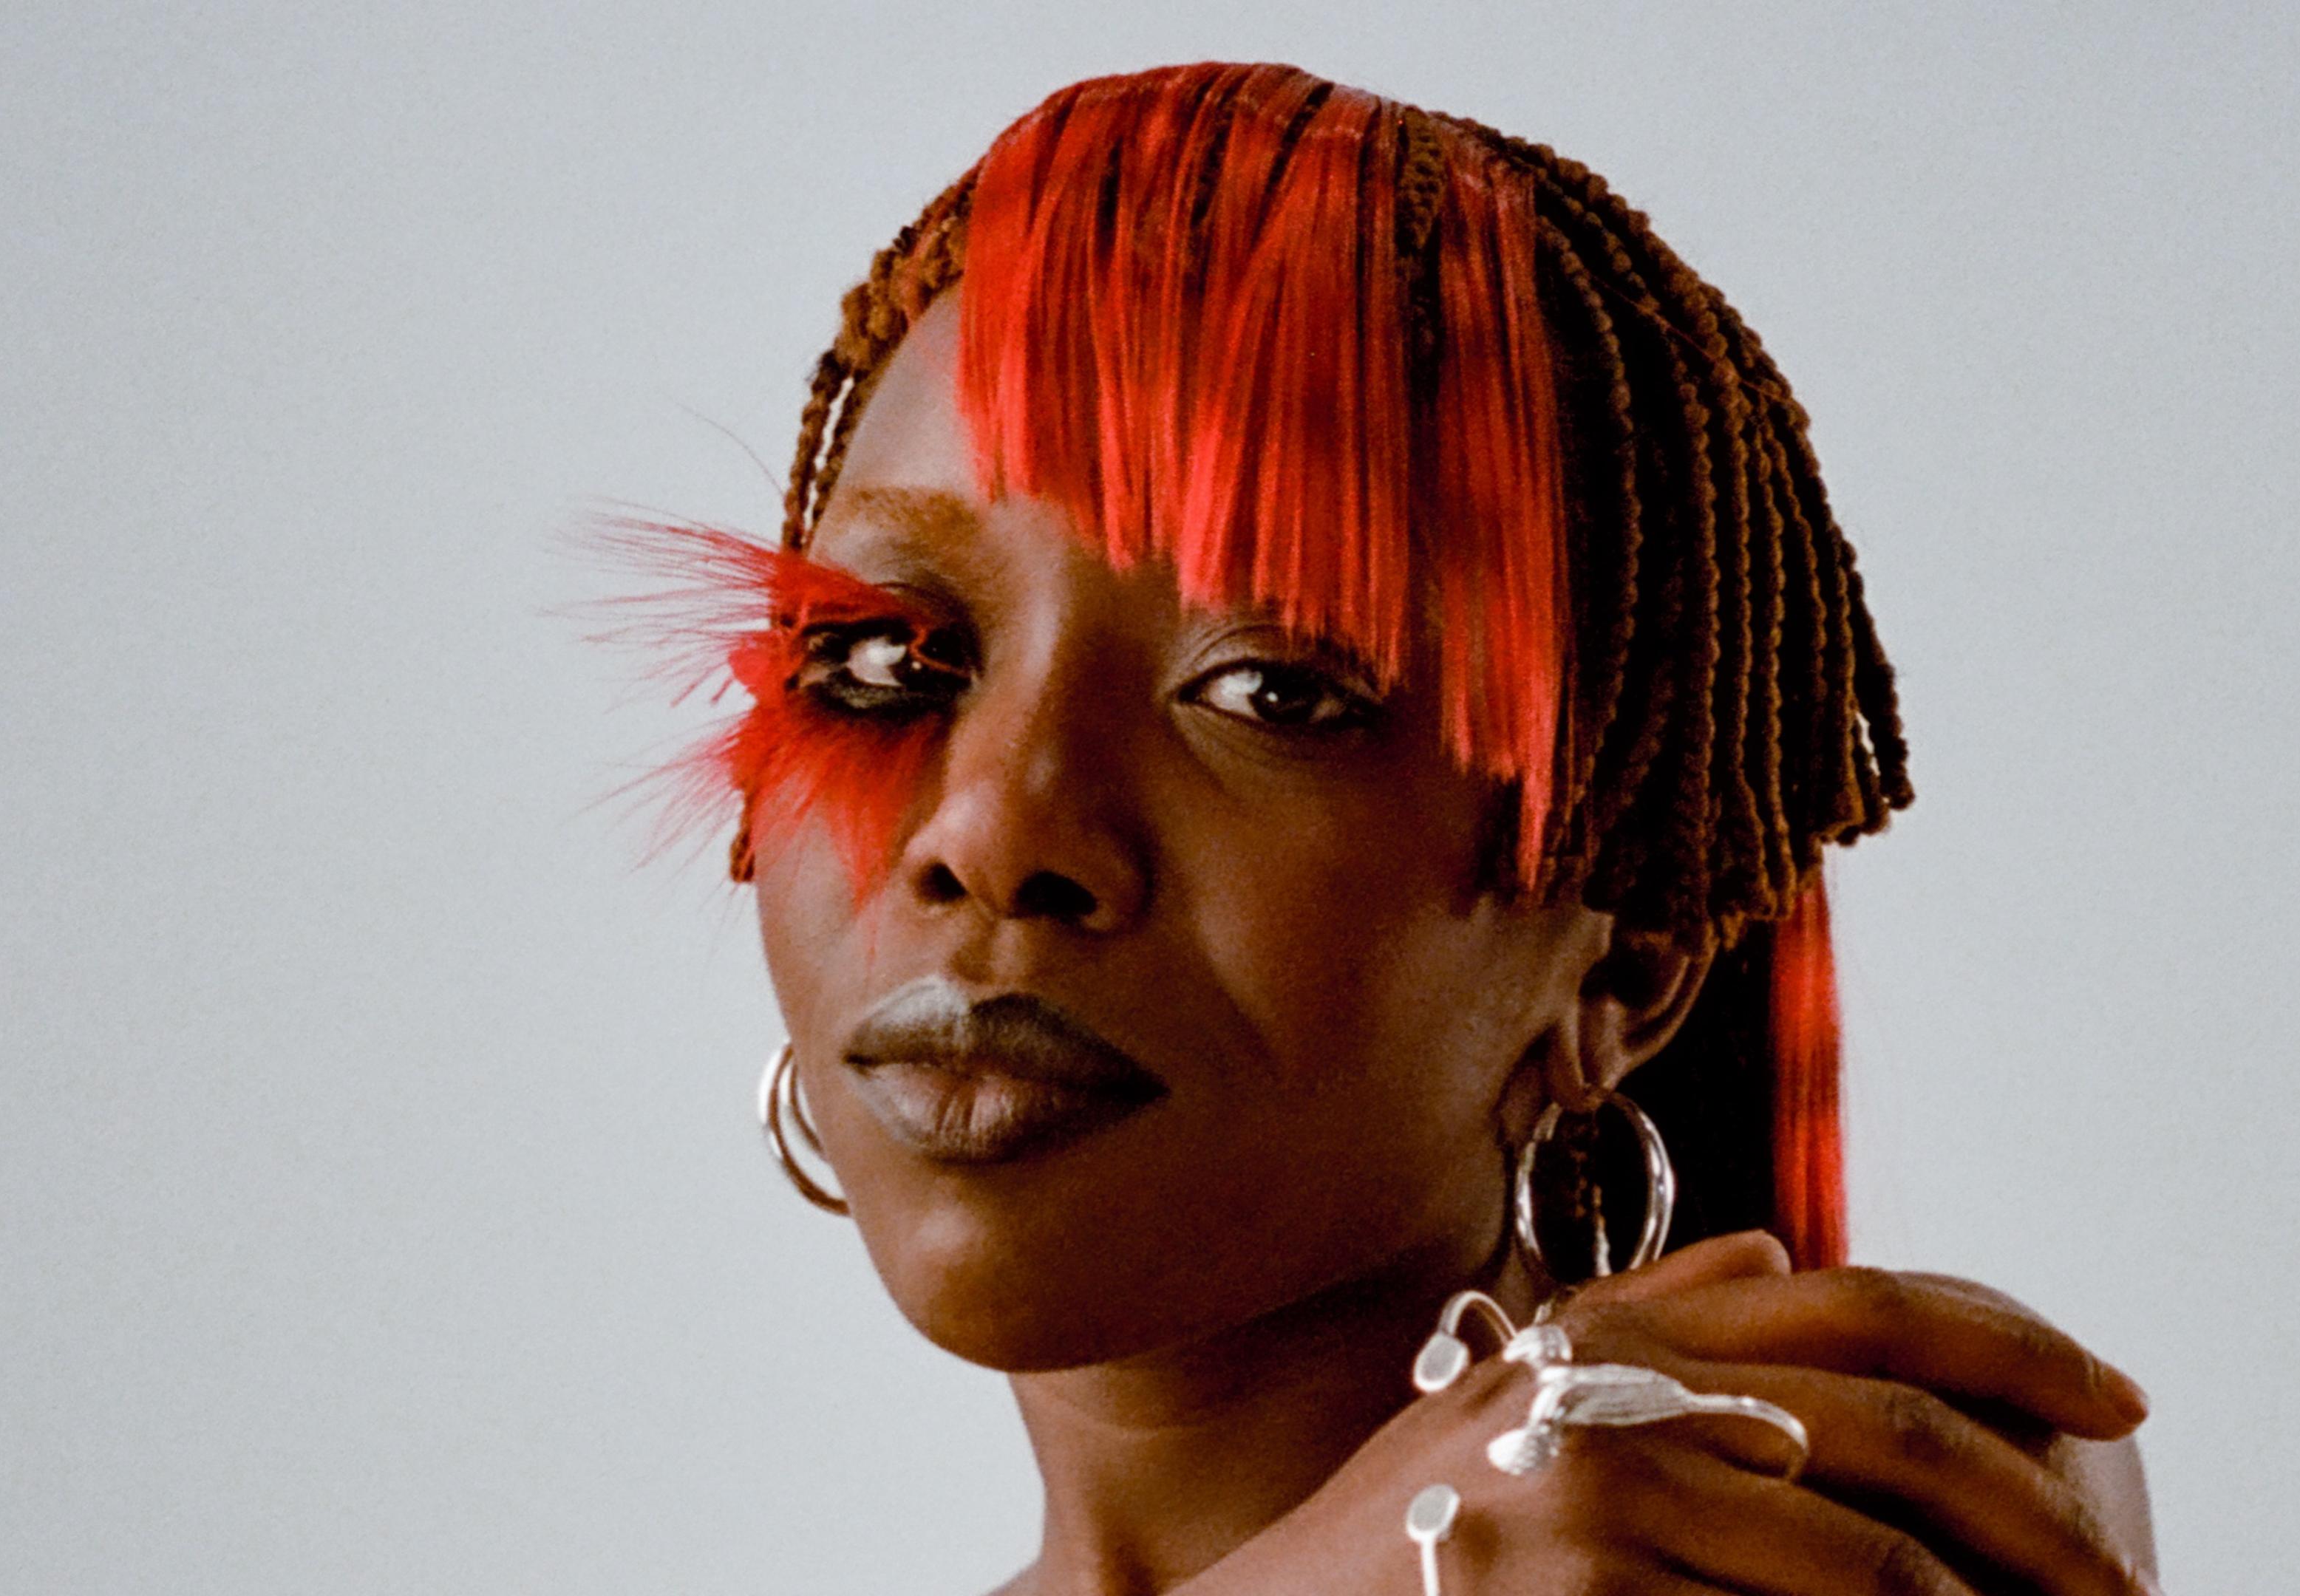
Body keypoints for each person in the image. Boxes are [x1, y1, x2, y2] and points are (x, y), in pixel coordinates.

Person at [612, 60, 2157, 1596]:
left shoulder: (1826, 1517)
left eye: (1275, 692)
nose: (992, 831)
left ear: (1629, 951)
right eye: (887, 661)